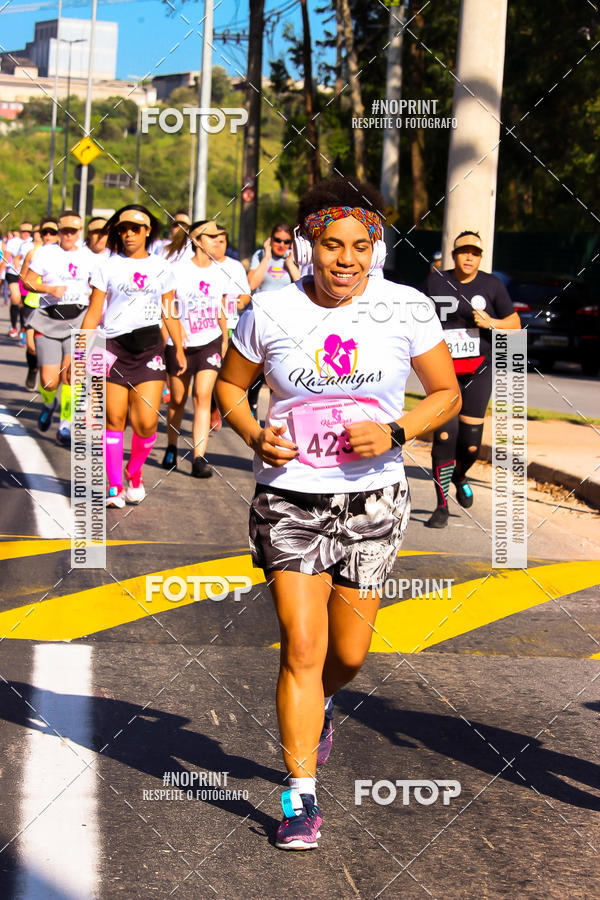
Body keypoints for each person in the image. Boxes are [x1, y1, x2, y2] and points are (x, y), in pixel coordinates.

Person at [216, 176, 460, 850]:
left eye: (358, 245)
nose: (344, 259)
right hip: (290, 494)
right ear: (306, 246)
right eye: (330, 245)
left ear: (375, 249)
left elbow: (446, 394)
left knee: (347, 654)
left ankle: (323, 703)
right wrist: (251, 432)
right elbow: (231, 390)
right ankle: (300, 798)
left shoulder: (404, 308)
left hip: (375, 496)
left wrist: (399, 432)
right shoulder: (269, 310)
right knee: (302, 643)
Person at [80, 204, 186, 507]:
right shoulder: (107, 266)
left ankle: (134, 473)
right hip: (112, 346)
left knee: (146, 423)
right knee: (113, 420)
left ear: (148, 230)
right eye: (123, 229)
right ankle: (114, 486)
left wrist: (177, 349)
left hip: (150, 347)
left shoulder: (162, 268)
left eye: (135, 228)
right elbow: (93, 313)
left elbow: (169, 311)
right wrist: (79, 354)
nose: (128, 234)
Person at [421, 231, 520, 528]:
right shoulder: (435, 282)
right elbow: (412, 314)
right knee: (444, 437)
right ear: (454, 255)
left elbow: (514, 323)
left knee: (471, 446)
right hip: (443, 373)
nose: (469, 257)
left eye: (474, 253)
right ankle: (441, 506)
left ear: (480, 257)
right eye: (463, 251)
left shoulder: (492, 285)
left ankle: (460, 475)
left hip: (479, 370)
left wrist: (493, 323)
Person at [161, 220, 228, 477]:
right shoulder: (177, 270)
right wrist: (177, 340)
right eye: (213, 237)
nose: (218, 243)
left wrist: (224, 337)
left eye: (221, 238)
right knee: (178, 399)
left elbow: (221, 307)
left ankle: (199, 458)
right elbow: (167, 308)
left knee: (202, 396)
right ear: (198, 240)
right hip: (181, 344)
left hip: (209, 341)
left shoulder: (220, 272)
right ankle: (171, 445)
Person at [24, 211, 95, 445]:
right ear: (59, 230)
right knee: (49, 381)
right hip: (48, 318)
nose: (69, 235)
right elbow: (28, 281)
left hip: (77, 320)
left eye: (74, 231)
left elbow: (98, 287)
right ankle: (48, 403)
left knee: (72, 376)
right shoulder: (46, 253)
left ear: (80, 231)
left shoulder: (89, 256)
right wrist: (49, 289)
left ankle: (66, 424)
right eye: (65, 230)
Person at [20, 217, 59, 391]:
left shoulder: (64, 255)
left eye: (52, 233)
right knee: (31, 347)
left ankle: (46, 375)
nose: (48, 236)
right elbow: (23, 277)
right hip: (32, 303)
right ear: (41, 234)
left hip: (51, 306)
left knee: (46, 348)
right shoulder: (33, 253)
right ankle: (32, 368)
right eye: (45, 233)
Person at [5, 221, 33, 338]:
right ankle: (13, 326)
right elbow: (6, 257)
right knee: (15, 298)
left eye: (28, 231)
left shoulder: (32, 244)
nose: (26, 233)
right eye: (24, 231)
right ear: (20, 231)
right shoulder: (13, 242)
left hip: (26, 275)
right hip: (12, 273)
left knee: (24, 302)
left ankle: (23, 327)